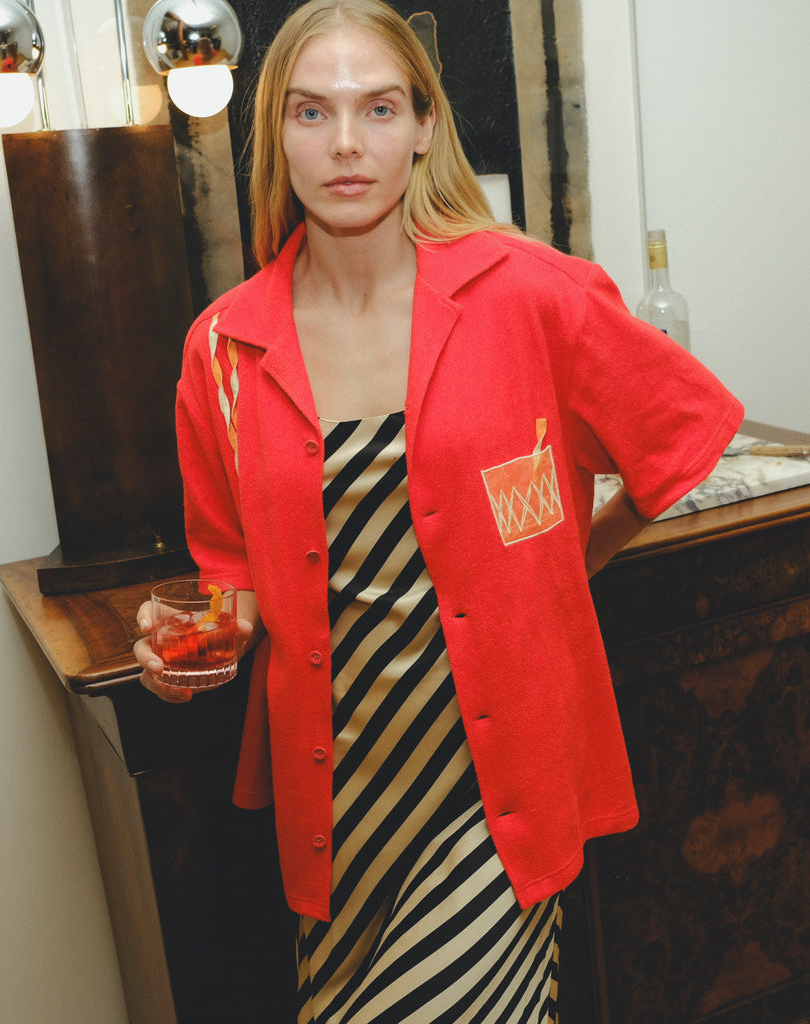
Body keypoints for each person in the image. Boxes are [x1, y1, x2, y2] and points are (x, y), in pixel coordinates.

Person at [134, 1, 744, 1020]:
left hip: (492, 790)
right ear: (274, 137)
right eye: (310, 113)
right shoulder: (221, 351)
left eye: (377, 109)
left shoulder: (532, 294)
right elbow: (232, 577)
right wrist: (186, 645)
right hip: (340, 799)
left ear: (424, 124)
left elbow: (680, 433)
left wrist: (564, 560)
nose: (344, 145)